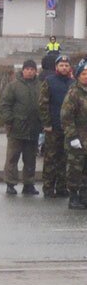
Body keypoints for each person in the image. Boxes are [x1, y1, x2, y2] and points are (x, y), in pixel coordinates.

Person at [0, 59, 42, 196]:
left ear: (36, 71)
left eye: (32, 69)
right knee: (12, 158)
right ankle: (10, 184)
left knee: (30, 159)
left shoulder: (40, 86)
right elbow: (5, 104)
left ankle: (28, 184)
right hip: (16, 129)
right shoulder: (13, 86)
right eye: (27, 69)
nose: (30, 71)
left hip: (33, 129)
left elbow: (43, 106)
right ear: (23, 70)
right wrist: (9, 120)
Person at [39, 55, 72, 199]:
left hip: (68, 128)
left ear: (69, 67)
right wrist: (47, 123)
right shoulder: (49, 82)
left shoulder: (73, 83)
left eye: (66, 65)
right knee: (51, 158)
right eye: (61, 65)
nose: (64, 68)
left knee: (65, 159)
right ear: (56, 67)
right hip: (53, 127)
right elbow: (43, 104)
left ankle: (61, 187)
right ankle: (48, 187)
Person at [61, 60, 87, 210]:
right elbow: (66, 116)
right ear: (78, 76)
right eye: (83, 74)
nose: (86, 77)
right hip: (77, 138)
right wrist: (72, 137)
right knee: (75, 169)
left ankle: (84, 197)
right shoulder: (74, 92)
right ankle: (73, 197)